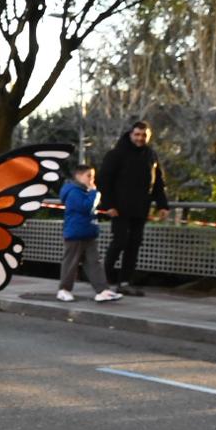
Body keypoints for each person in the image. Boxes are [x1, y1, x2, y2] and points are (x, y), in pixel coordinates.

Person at [96, 119, 169, 297]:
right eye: (137, 134)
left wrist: (162, 205)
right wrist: (108, 205)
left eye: (144, 135)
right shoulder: (116, 154)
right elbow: (104, 180)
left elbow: (158, 182)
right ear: (131, 134)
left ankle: (124, 282)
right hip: (119, 208)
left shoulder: (151, 155)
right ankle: (103, 280)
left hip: (141, 208)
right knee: (119, 241)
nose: (140, 138)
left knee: (134, 244)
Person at [57, 163, 123, 303]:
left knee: (94, 262)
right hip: (75, 233)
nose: (92, 179)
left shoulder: (82, 191)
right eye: (89, 176)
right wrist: (95, 193)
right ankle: (64, 290)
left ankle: (102, 290)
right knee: (71, 263)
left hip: (87, 232)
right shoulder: (74, 192)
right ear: (78, 176)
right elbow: (86, 207)